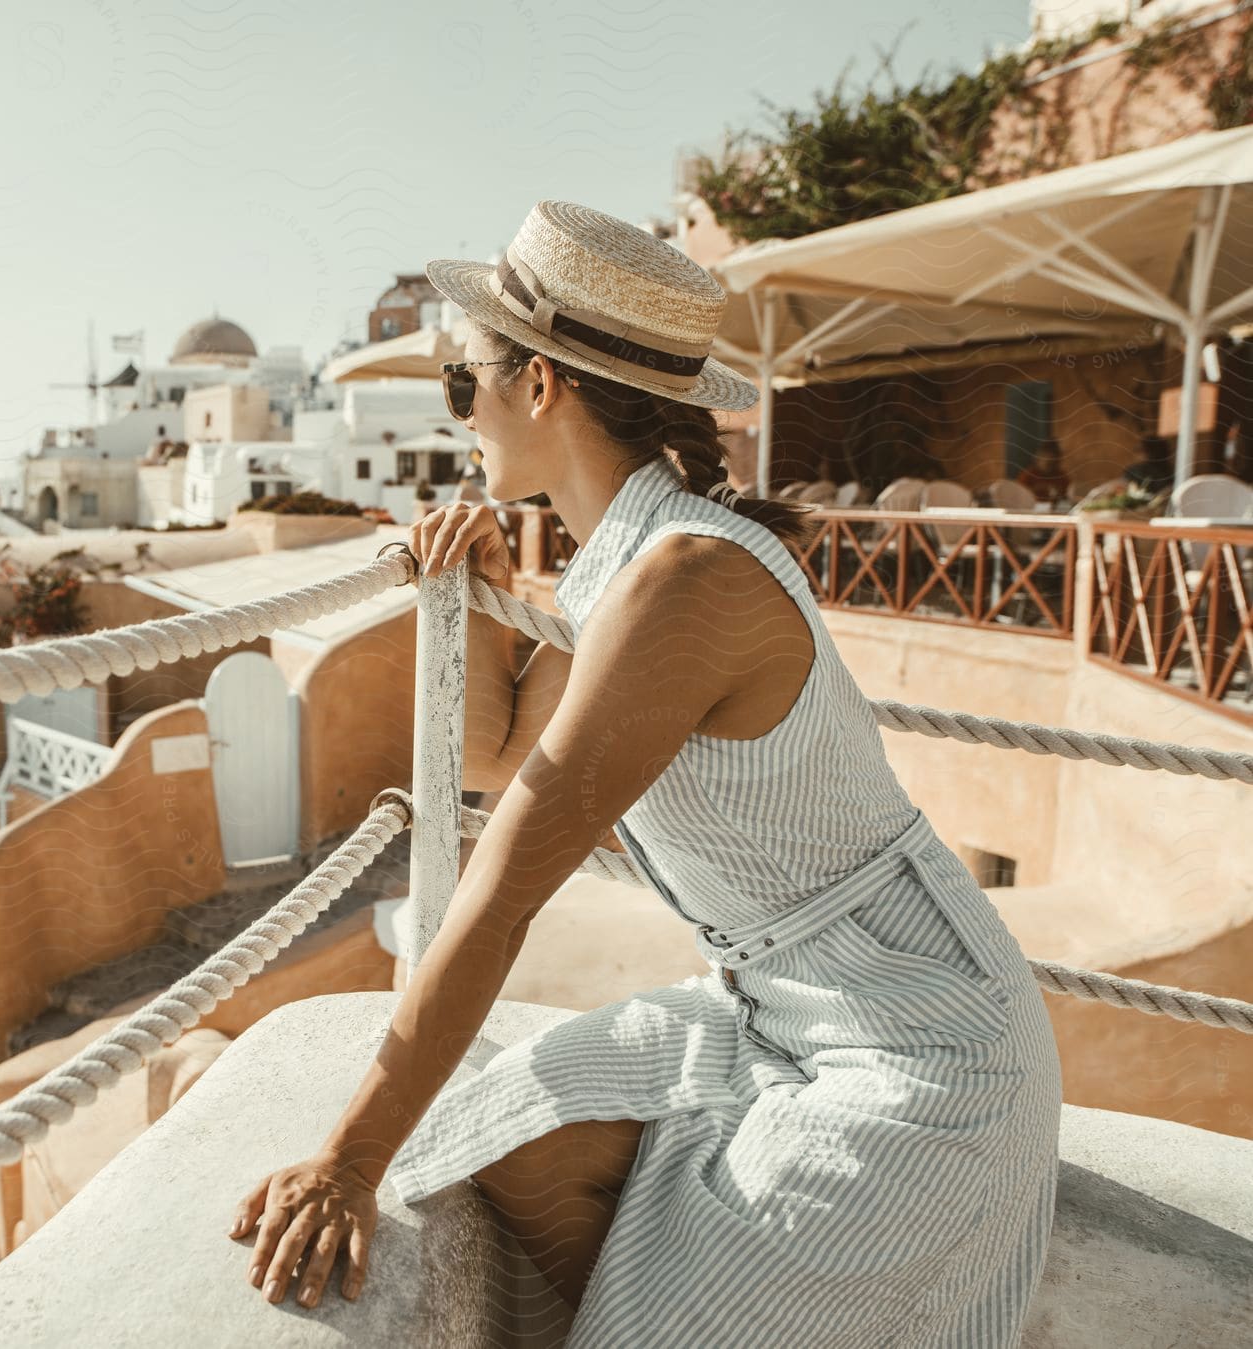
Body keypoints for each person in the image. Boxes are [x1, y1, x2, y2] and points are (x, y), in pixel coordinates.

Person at [226, 201, 1061, 1343]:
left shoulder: (686, 583)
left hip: (915, 1044)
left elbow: (508, 879)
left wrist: (345, 1158)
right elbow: (490, 753)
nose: (458, 412)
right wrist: (468, 591)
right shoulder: (626, 568)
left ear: (542, 386)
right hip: (782, 1005)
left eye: (461, 382)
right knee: (498, 1137)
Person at [1016, 437, 1071, 504]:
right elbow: (1018, 495)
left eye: (1054, 462)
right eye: (1048, 463)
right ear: (1038, 459)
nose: (1051, 465)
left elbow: (1067, 497)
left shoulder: (1062, 476)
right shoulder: (1028, 475)